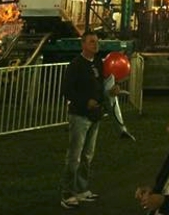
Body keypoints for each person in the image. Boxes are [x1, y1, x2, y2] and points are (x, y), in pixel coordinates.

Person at [61, 31, 110, 209]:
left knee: (87, 155)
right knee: (74, 156)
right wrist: (84, 102)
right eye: (91, 42)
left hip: (94, 115)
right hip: (79, 115)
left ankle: (81, 189)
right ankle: (67, 193)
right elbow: (67, 90)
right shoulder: (76, 65)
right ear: (83, 44)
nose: (95, 45)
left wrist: (107, 96)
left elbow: (100, 85)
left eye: (96, 42)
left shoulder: (97, 63)